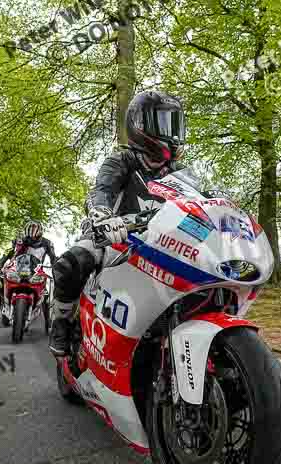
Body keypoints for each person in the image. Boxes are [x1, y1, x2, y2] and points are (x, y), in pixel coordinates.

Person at [49, 90, 187, 359]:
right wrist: (102, 216)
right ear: (140, 124)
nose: (171, 131)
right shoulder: (121, 161)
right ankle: (61, 322)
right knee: (70, 264)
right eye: (163, 122)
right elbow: (101, 190)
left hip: (161, 240)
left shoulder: (178, 172)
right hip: (114, 236)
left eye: (175, 122)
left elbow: (199, 200)